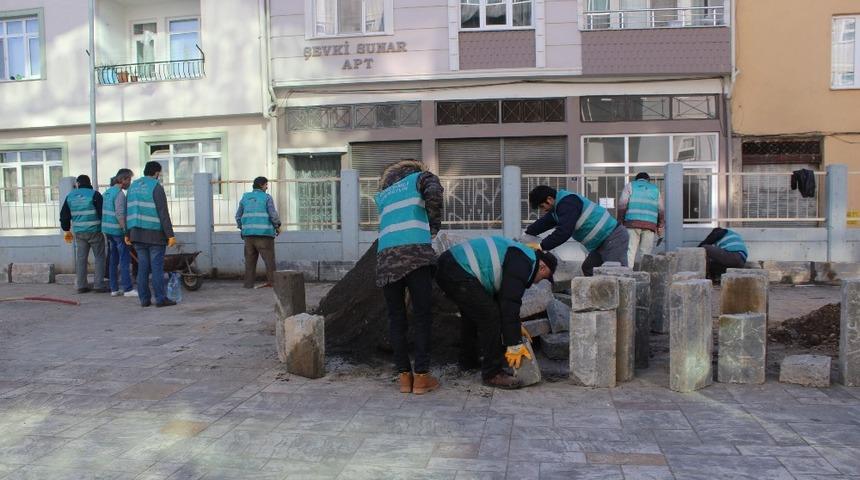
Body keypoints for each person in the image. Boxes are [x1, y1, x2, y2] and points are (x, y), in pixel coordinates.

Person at [435, 236, 557, 390]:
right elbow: (509, 303)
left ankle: (468, 361)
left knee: (474, 314)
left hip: (451, 265)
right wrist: (514, 344)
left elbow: (502, 298)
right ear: (542, 267)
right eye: (542, 278)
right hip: (457, 268)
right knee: (490, 317)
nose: (537, 282)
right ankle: (492, 374)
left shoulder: (522, 256)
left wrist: (515, 325)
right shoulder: (524, 263)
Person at [375, 159, 443, 395]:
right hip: (415, 254)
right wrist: (433, 226)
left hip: (385, 258)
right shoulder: (421, 178)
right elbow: (434, 193)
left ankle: (404, 378)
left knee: (396, 318)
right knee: (422, 315)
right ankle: (422, 377)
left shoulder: (383, 193)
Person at [526, 186, 629, 276]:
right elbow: (544, 223)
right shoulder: (557, 209)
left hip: (613, 238)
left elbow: (564, 232)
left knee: (616, 274)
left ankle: (620, 298)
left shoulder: (568, 203)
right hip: (600, 243)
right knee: (589, 269)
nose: (543, 210)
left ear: (549, 199)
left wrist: (541, 246)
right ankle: (596, 297)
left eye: (542, 206)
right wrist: (527, 233)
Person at [126, 161, 177, 307]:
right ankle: (160, 299)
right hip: (154, 234)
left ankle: (144, 300)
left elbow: (127, 210)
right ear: (156, 173)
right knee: (156, 269)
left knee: (142, 267)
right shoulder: (156, 187)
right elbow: (163, 212)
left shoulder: (132, 187)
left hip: (136, 234)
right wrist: (170, 234)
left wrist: (127, 233)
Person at [60, 175, 108, 294]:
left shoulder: (70, 196)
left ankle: (81, 285)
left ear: (78, 184)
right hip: (95, 231)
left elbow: (64, 216)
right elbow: (103, 213)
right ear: (89, 183)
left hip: (80, 233)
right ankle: (98, 285)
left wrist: (66, 229)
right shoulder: (95, 195)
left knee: (81, 259)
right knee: (100, 258)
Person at [235, 176, 281, 288]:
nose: (267, 187)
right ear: (261, 185)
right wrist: (277, 225)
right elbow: (272, 214)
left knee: (249, 262)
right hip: (264, 235)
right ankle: (273, 283)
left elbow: (238, 216)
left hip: (248, 236)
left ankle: (248, 284)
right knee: (269, 261)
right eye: (266, 184)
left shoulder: (245, 197)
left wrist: (243, 228)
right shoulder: (267, 197)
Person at [618, 172, 664, 268]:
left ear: (636, 179)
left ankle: (628, 275)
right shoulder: (655, 189)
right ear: (648, 180)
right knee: (646, 253)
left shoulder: (630, 186)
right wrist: (660, 226)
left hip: (632, 224)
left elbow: (622, 205)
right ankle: (645, 275)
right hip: (650, 225)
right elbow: (661, 209)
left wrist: (620, 222)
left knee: (630, 251)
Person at [103, 169, 136, 297]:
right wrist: (125, 231)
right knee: (124, 259)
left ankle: (114, 289)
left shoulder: (107, 192)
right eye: (129, 180)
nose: (130, 183)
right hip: (117, 231)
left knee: (113, 259)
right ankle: (127, 289)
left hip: (107, 230)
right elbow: (120, 214)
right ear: (123, 180)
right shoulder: (119, 194)